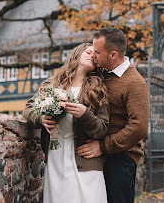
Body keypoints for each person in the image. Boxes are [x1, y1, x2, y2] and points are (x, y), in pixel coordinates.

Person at [22, 43, 109, 203]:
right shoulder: (52, 84)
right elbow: (28, 109)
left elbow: (102, 128)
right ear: (76, 55)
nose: (92, 55)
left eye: (95, 54)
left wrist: (85, 114)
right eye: (88, 52)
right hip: (56, 154)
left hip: (85, 158)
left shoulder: (97, 89)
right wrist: (41, 119)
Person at [77, 27, 149, 203]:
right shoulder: (100, 74)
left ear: (113, 54)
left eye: (97, 52)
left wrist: (103, 146)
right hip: (97, 158)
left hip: (121, 160)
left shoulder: (135, 83)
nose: (93, 55)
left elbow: (139, 128)